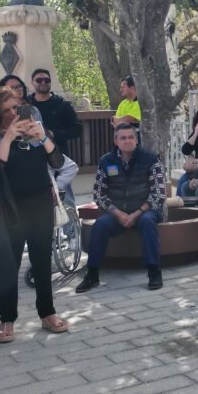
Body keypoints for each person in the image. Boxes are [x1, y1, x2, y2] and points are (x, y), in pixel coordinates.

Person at [0, 87, 69, 342]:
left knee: (41, 260)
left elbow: (58, 162)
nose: (12, 114)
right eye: (5, 110)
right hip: (10, 206)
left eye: (15, 108)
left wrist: (44, 137)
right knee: (10, 263)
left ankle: (47, 313)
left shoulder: (35, 128)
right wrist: (8, 137)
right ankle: (7, 318)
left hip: (40, 202)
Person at [75, 124, 166, 293]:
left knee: (147, 222)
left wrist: (137, 213)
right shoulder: (106, 161)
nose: (127, 141)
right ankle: (92, 275)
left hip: (146, 210)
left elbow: (159, 193)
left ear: (136, 140)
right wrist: (117, 213)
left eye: (131, 137)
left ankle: (154, 272)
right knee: (100, 225)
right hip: (117, 212)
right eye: (123, 138)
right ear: (116, 141)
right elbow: (99, 194)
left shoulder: (151, 159)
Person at [27, 68, 82, 151]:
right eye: (39, 80)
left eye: (47, 80)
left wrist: (53, 133)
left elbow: (77, 129)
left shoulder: (62, 104)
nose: (43, 82)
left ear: (50, 82)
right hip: (31, 153)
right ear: (32, 82)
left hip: (57, 153)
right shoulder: (25, 104)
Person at [177, 107, 198, 197]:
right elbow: (186, 150)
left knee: (187, 185)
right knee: (182, 181)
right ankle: (180, 205)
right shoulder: (197, 135)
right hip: (195, 168)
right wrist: (196, 133)